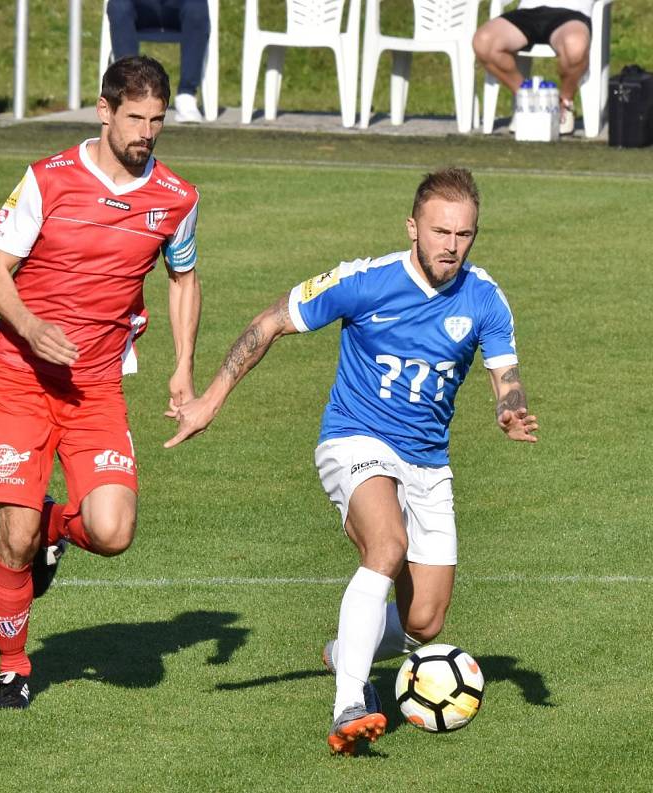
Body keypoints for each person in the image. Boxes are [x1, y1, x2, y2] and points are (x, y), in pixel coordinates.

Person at [165, 168, 538, 755]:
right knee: (385, 548)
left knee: (425, 622)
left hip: (428, 461)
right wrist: (209, 401)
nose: (452, 246)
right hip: (354, 439)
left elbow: (505, 378)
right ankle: (349, 703)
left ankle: (346, 648)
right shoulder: (366, 281)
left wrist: (509, 411)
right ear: (412, 228)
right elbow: (270, 322)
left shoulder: (485, 297)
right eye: (441, 232)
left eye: (465, 235)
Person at [0, 55, 201, 709]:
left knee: (112, 532)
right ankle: (14, 666)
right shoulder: (48, 181)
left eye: (157, 120)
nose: (147, 133)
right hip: (19, 376)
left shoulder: (176, 198)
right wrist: (28, 322)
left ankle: (56, 528)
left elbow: (183, 277)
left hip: (95, 387)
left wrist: (183, 365)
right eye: (135, 118)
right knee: (12, 537)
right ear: (104, 111)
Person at [472, 0, 595, 135]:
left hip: (572, 15)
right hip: (528, 11)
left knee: (575, 47)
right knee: (484, 42)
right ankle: (528, 100)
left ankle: (563, 104)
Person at [106, 0, 210, 124]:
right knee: (119, 4)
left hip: (179, 6)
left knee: (196, 6)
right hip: (141, 7)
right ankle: (130, 93)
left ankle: (187, 95)